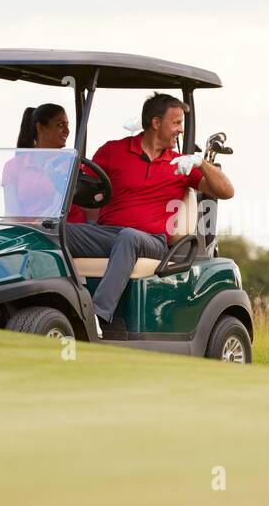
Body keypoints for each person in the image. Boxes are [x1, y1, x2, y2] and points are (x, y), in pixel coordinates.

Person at [66, 93, 234, 339]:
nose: (181, 129)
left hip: (152, 240)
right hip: (108, 234)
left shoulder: (180, 163)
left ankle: (96, 316)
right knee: (58, 232)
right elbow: (81, 183)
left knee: (129, 237)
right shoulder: (113, 151)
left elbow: (226, 191)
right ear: (156, 123)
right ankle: (49, 303)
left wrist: (200, 163)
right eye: (176, 123)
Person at [2, 103, 88, 222]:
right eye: (60, 125)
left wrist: (37, 227)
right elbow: (12, 214)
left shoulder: (70, 163)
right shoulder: (13, 166)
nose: (67, 131)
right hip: (30, 234)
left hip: (64, 231)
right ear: (40, 128)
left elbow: (56, 209)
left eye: (67, 125)